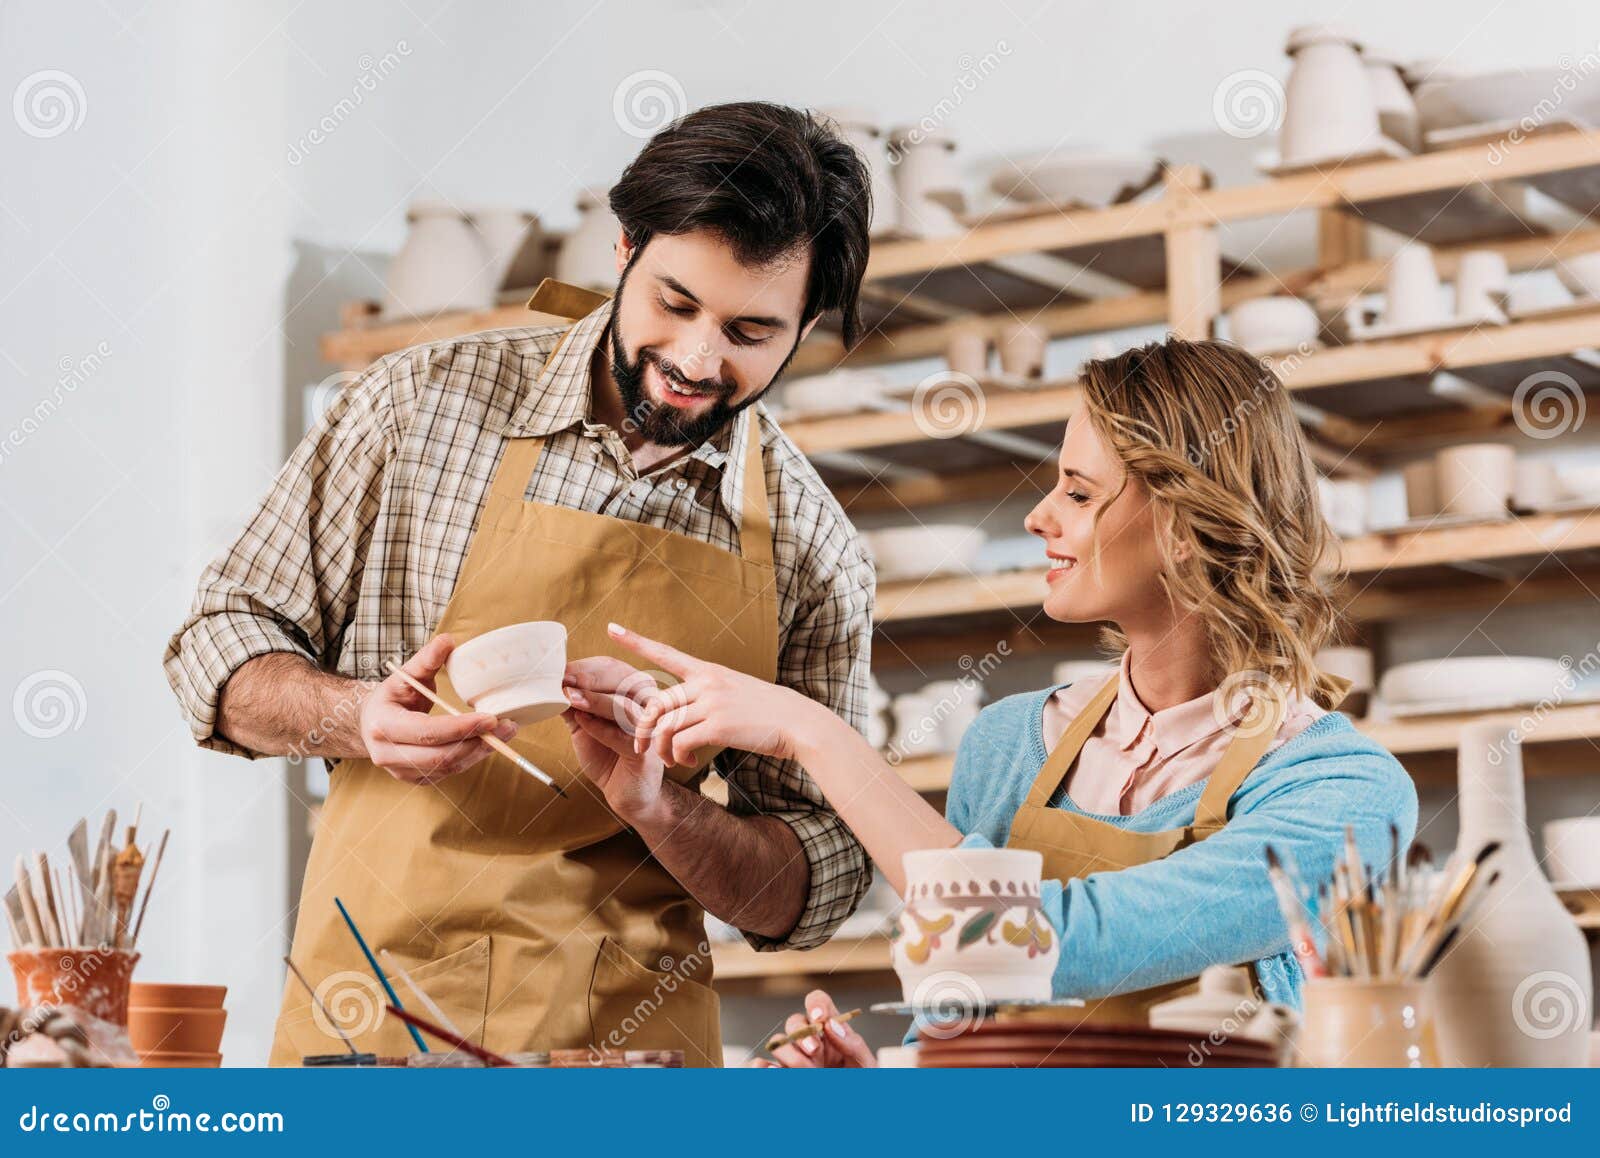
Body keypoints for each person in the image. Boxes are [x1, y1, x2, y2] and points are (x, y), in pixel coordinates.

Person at [163, 102, 879, 1067]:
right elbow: (217, 647)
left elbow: (814, 883)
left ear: (806, 326)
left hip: (631, 1059)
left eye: (752, 330)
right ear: (623, 252)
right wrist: (359, 716)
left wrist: (666, 809)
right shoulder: (419, 408)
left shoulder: (811, 544)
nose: (698, 362)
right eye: (674, 304)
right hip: (375, 1029)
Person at [562, 338, 1419, 1066]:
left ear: (1188, 530)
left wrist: (812, 732)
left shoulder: (1344, 795)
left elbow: (1060, 941)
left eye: (1080, 494)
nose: (1040, 516)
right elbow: (962, 1014)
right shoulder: (1011, 744)